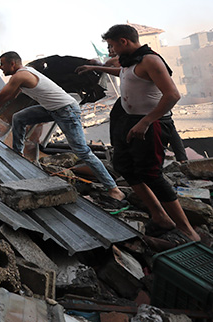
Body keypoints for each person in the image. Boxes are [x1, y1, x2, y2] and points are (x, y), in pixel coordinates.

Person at [77, 25, 199, 241]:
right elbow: (125, 75)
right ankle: (159, 216)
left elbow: (172, 95)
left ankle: (187, 230)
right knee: (125, 167)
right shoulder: (130, 62)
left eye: (112, 45)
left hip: (151, 124)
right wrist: (96, 69)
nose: (110, 50)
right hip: (130, 122)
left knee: (151, 174)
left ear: (124, 41)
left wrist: (146, 121)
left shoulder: (150, 60)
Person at [0, 51, 125, 203]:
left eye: (2, 64)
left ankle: (114, 190)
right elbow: (10, 96)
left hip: (66, 110)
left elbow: (1, 97)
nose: (0, 67)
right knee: (19, 118)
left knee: (82, 151)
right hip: (53, 109)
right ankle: (18, 154)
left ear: (12, 63)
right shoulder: (23, 74)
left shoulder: (21, 75)